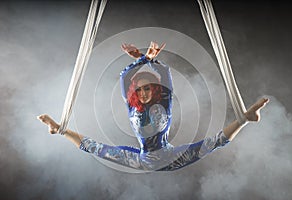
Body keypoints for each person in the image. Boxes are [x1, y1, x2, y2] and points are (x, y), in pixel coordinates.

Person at [38, 42, 269, 171]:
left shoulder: (164, 101)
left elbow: (165, 73)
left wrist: (149, 59)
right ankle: (58, 129)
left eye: (147, 88)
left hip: (170, 156)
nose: (143, 92)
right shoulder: (132, 106)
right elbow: (124, 76)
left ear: (154, 89)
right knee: (95, 147)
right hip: (143, 158)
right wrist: (141, 58)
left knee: (214, 142)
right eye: (138, 90)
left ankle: (246, 118)